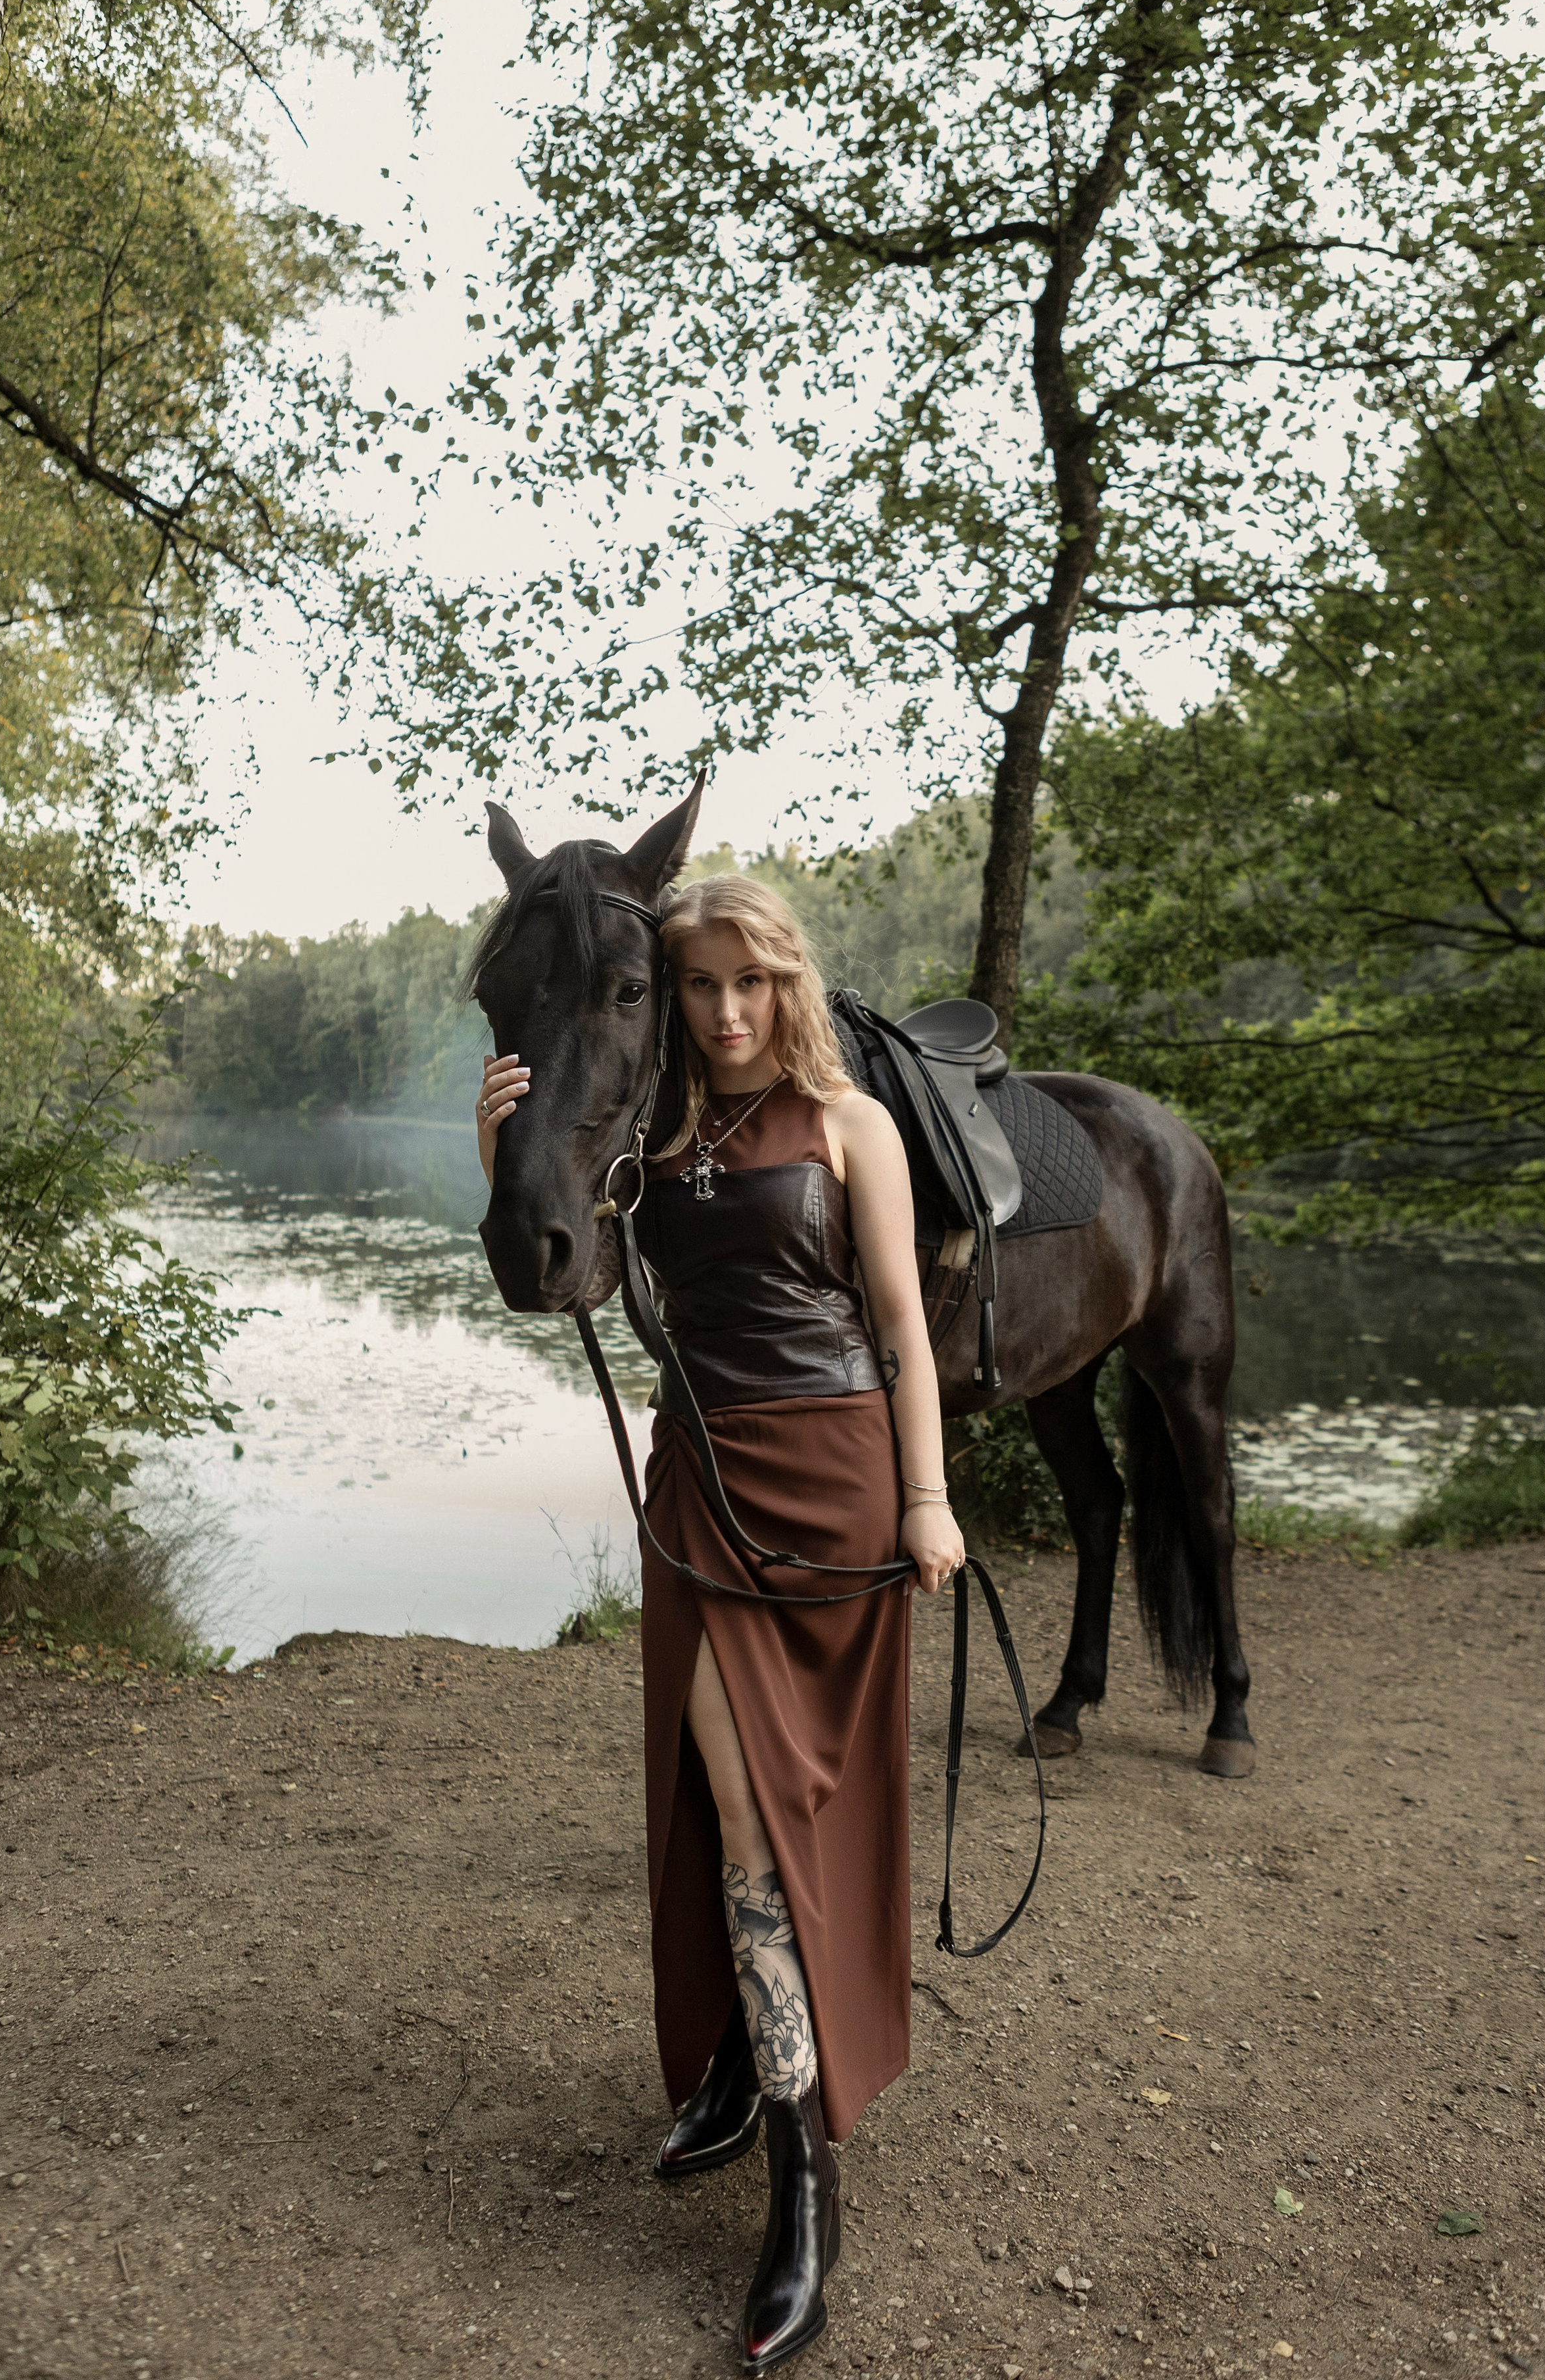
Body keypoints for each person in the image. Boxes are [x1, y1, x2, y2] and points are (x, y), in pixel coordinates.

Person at [476, 872, 965, 2375]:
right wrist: (497, 1146)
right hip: (702, 1487)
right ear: (672, 1001)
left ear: (788, 985)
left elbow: (899, 1326)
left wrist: (930, 1498)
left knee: (815, 1809)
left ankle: (776, 2087)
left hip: (837, 1487)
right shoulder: (655, 1139)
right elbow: (562, 1286)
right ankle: (802, 2182)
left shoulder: (850, 1126)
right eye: (701, 988)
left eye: (751, 983)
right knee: (741, 1817)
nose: (730, 1010)